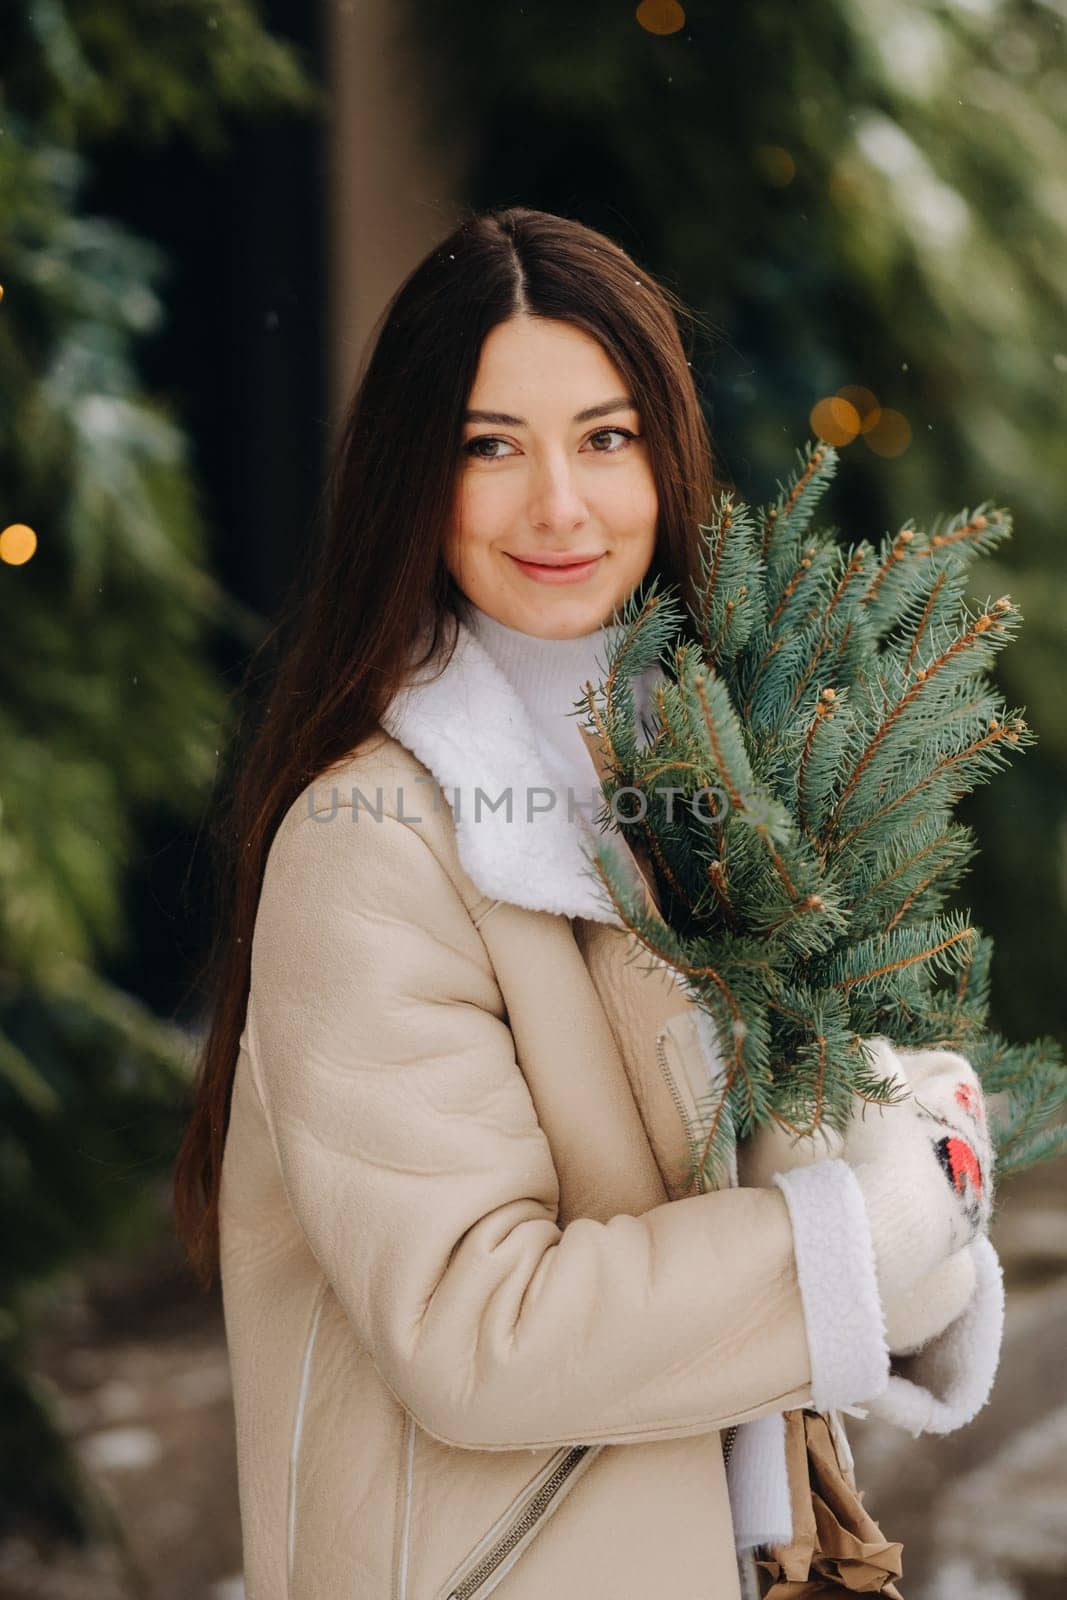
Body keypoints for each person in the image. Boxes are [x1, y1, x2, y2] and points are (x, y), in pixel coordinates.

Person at [173, 206, 1005, 1600]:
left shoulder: (701, 771)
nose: (559, 503)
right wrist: (871, 1247)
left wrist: (911, 1139)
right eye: (490, 445)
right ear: (412, 480)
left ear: (665, 456)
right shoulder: (368, 843)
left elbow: (763, 1119)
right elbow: (477, 1330)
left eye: (606, 437)